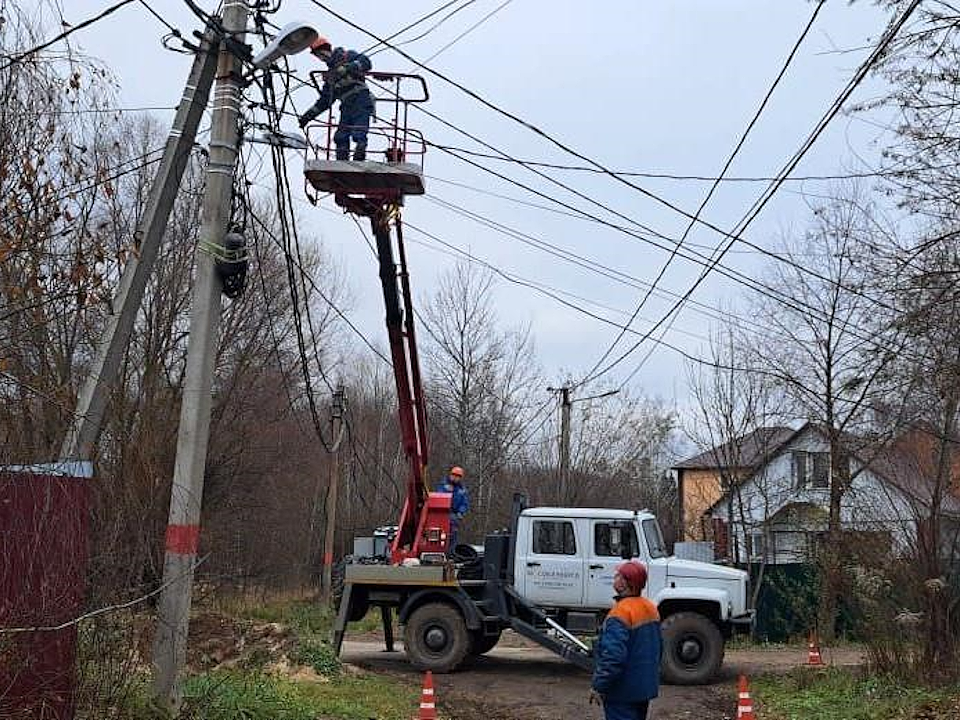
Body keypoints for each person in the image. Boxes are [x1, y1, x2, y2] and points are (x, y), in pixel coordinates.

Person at [590, 561, 661, 720]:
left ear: (624, 584)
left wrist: (599, 685)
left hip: (622, 692)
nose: (614, 578)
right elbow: (658, 648)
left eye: (618, 576)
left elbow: (613, 657)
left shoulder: (620, 613)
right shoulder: (650, 608)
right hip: (644, 688)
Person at [298, 36, 374, 161]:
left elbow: (366, 62)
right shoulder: (330, 76)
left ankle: (360, 151)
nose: (321, 58)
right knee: (340, 136)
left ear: (326, 49)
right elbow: (324, 101)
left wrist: (347, 68)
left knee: (359, 129)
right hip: (346, 105)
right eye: (318, 56)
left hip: (360, 98)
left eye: (321, 54)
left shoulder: (347, 56)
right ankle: (342, 161)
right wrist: (308, 116)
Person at [435, 466, 469, 549]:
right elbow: (440, 498)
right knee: (439, 534)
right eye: (453, 475)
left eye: (458, 476)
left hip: (454, 514)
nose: (455, 477)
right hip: (442, 513)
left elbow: (464, 503)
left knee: (453, 532)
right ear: (450, 475)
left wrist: (460, 512)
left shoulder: (462, 490)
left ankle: (450, 553)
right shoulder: (443, 485)